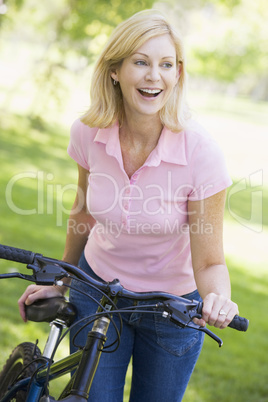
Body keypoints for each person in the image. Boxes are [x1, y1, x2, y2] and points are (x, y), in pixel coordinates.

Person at [18, 9, 239, 402]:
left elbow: (209, 261)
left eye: (166, 65)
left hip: (172, 310)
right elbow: (84, 210)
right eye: (141, 62)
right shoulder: (89, 132)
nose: (155, 76)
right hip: (97, 290)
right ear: (115, 70)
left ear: (178, 74)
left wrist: (218, 298)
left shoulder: (202, 154)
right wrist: (62, 276)